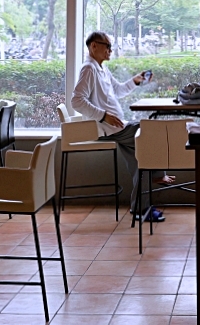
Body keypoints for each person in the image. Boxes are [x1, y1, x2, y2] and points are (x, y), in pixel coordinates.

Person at [71, 31, 167, 222]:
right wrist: (103, 116)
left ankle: (141, 209)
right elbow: (76, 101)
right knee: (149, 131)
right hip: (108, 129)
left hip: (116, 128)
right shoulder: (88, 69)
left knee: (140, 160)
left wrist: (135, 81)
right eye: (106, 46)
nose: (110, 50)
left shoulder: (101, 69)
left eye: (111, 46)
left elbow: (117, 90)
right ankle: (158, 175)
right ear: (93, 46)